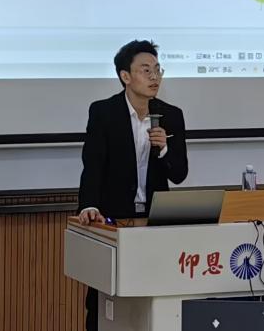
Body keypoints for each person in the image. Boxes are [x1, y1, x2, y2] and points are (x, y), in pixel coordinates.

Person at [76, 39, 189, 331]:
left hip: (154, 220)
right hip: (113, 218)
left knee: (154, 293)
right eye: (145, 70)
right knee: (103, 297)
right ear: (125, 76)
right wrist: (89, 205)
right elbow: (93, 165)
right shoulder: (103, 112)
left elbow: (179, 174)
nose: (155, 77)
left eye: (158, 69)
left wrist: (164, 149)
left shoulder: (171, 115)